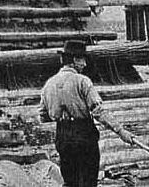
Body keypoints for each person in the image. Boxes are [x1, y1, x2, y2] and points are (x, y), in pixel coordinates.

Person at [38, 40, 135, 187]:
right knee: (88, 181)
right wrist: (121, 131)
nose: (85, 64)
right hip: (83, 134)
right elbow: (98, 111)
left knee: (70, 181)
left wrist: (61, 113)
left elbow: (42, 116)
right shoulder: (82, 81)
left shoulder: (48, 84)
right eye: (83, 60)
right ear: (75, 60)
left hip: (62, 136)